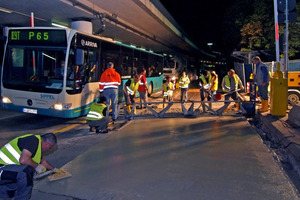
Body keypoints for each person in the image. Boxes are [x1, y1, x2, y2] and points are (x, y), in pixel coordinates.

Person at [0, 133, 60, 200]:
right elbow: (23, 160)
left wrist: (55, 169)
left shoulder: (35, 147)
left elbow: (43, 162)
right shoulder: (33, 141)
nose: (48, 150)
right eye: (50, 148)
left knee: (20, 185)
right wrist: (37, 166)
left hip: (6, 171)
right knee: (25, 173)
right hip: (2, 169)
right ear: (47, 144)